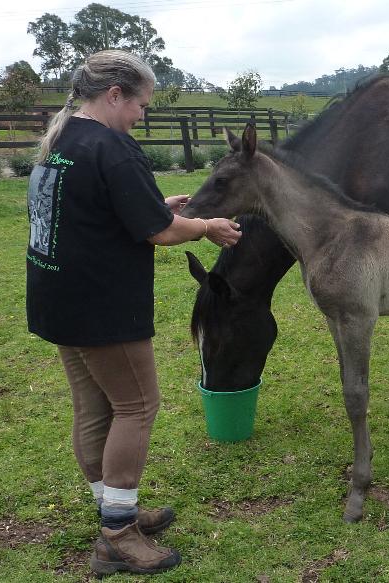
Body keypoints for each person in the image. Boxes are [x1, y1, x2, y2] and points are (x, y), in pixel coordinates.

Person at [25, 49, 241, 577]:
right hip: (102, 306)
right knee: (137, 406)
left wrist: (152, 203)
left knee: (94, 407)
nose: (141, 115)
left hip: (59, 301)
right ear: (115, 95)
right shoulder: (112, 147)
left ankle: (112, 508)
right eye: (140, 104)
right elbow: (161, 232)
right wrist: (208, 225)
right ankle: (118, 535)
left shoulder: (63, 142)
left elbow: (96, 208)